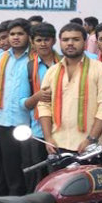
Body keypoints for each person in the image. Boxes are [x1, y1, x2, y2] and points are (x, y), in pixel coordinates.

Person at [37, 23, 102, 155]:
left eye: (76, 39)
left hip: (89, 146)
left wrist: (91, 139)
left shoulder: (101, 70)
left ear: (85, 42)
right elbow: (44, 105)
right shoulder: (52, 71)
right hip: (56, 144)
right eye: (65, 40)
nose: (70, 43)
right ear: (60, 42)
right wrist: (48, 138)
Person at [0, 18, 33, 196]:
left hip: (28, 123)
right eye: (12, 34)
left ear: (28, 36)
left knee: (28, 167)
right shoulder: (1, 58)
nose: (15, 37)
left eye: (20, 34)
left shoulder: (34, 58)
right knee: (10, 167)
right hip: (4, 121)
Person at [21, 22, 59, 189]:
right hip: (37, 131)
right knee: (38, 178)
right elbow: (23, 103)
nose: (43, 44)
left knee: (59, 176)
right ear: (32, 42)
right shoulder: (28, 68)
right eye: (39, 40)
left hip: (62, 130)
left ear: (54, 41)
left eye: (47, 39)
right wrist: (37, 97)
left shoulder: (65, 63)